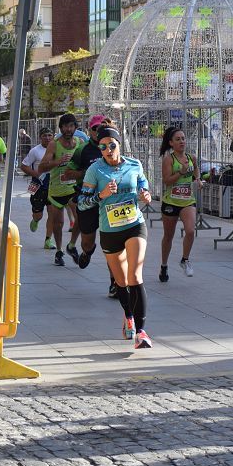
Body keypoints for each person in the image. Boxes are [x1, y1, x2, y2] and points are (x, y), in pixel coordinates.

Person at [78, 125, 154, 348]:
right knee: (121, 282)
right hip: (110, 230)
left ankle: (141, 332)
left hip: (134, 224)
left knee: (135, 275)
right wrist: (101, 195)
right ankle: (128, 315)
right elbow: (82, 203)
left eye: (112, 145)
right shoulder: (95, 170)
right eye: (103, 147)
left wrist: (145, 194)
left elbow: (143, 183)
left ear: (119, 144)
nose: (108, 150)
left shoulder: (134, 164)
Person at [64, 117, 118, 290]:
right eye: (95, 128)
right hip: (88, 201)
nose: (98, 132)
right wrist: (87, 174)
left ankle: (114, 283)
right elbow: (68, 172)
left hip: (110, 203)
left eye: (101, 129)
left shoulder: (116, 151)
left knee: (112, 245)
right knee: (87, 242)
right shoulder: (82, 150)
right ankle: (87, 252)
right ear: (90, 130)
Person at [39, 113, 85, 266]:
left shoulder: (80, 143)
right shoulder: (54, 144)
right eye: (65, 126)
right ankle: (59, 251)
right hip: (57, 191)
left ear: (75, 128)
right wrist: (58, 161)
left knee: (81, 217)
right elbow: (42, 167)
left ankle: (71, 245)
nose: (68, 129)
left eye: (71, 126)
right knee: (58, 224)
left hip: (74, 188)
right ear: (61, 128)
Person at [159, 126, 199, 282]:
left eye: (183, 138)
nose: (182, 141)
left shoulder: (191, 157)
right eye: (178, 139)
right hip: (171, 201)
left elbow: (195, 170)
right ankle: (164, 265)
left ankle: (185, 259)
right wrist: (180, 173)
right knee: (168, 236)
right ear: (171, 143)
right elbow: (167, 180)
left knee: (190, 231)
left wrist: (197, 179)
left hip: (188, 200)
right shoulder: (169, 159)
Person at [20, 126, 55, 248]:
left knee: (52, 214)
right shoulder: (35, 151)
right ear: (40, 137)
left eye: (49, 135)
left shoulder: (57, 150)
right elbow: (24, 166)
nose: (47, 138)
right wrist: (36, 174)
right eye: (44, 135)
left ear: (53, 136)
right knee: (38, 215)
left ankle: (48, 240)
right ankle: (35, 220)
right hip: (37, 185)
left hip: (52, 186)